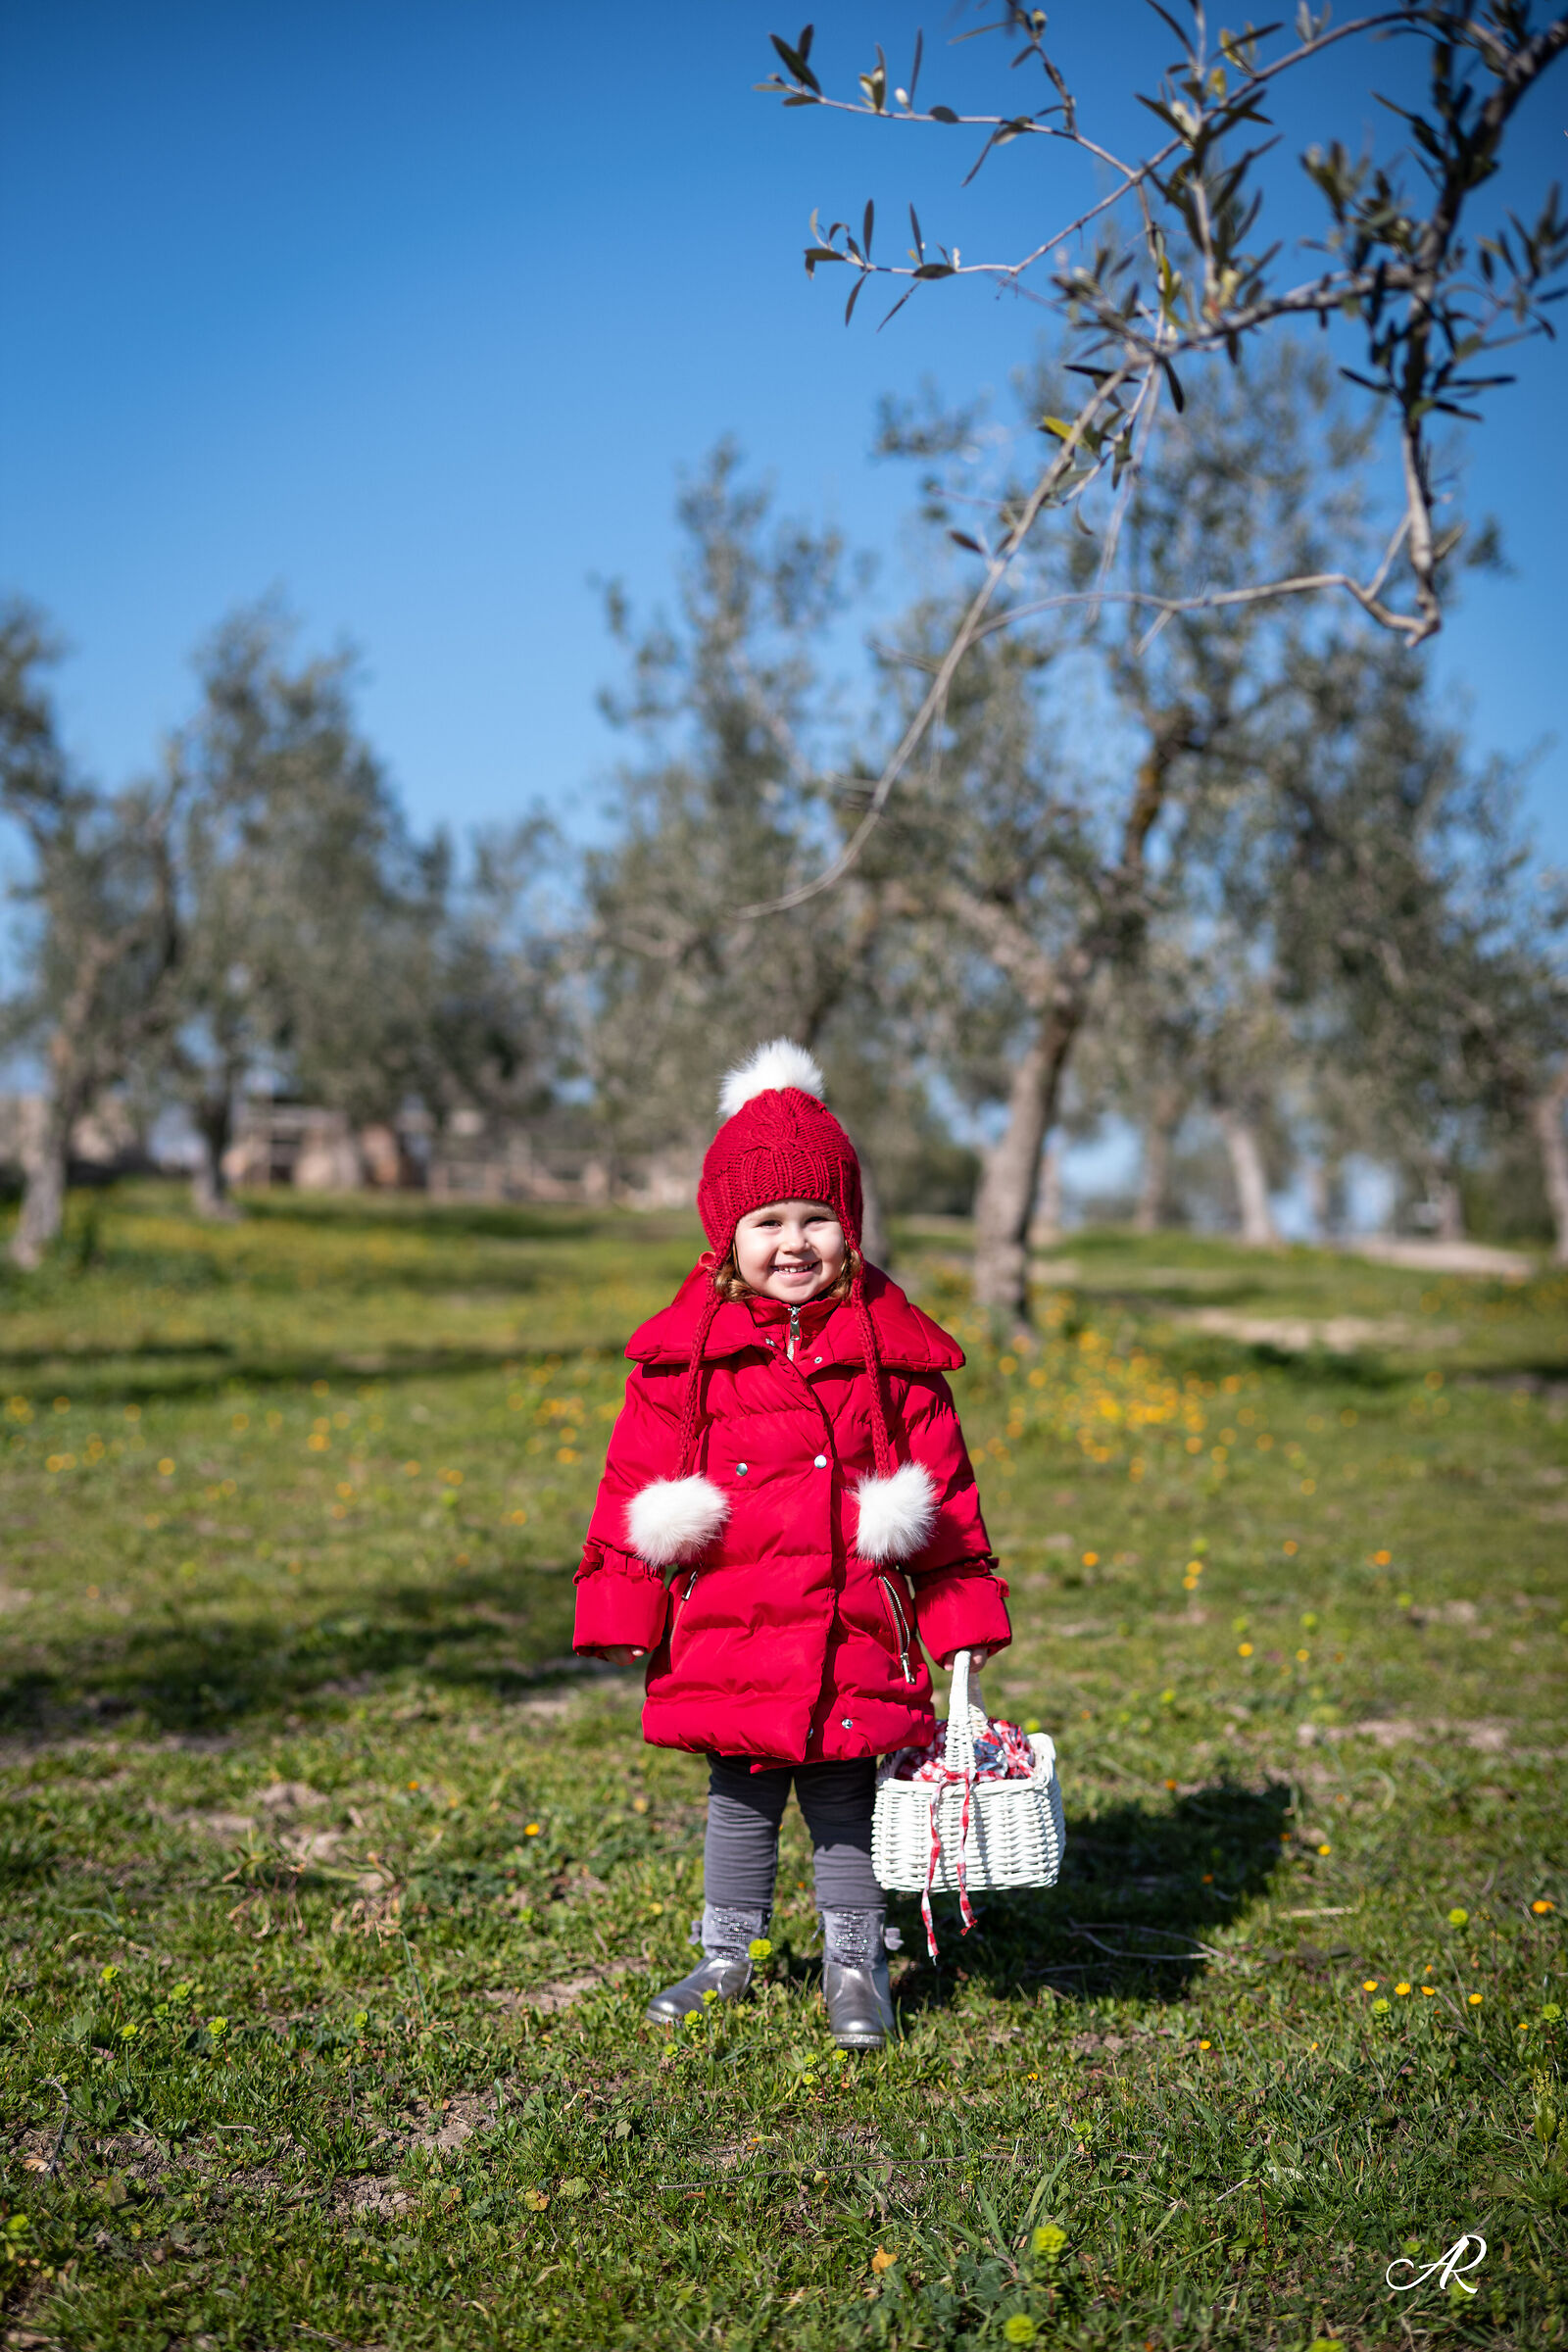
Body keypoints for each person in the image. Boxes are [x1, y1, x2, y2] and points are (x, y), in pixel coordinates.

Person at [572, 1041, 1011, 2048]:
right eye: (768, 1223)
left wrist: (962, 1615)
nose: (795, 1242)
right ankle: (726, 1953)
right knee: (739, 1802)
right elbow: (631, 1484)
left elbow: (944, 1500)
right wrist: (620, 1605)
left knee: (846, 1801)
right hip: (726, 1628)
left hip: (853, 1626)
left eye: (817, 1218)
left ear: (849, 1229)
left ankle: (856, 1962)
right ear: (727, 1240)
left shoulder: (891, 1362)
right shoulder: (681, 1364)